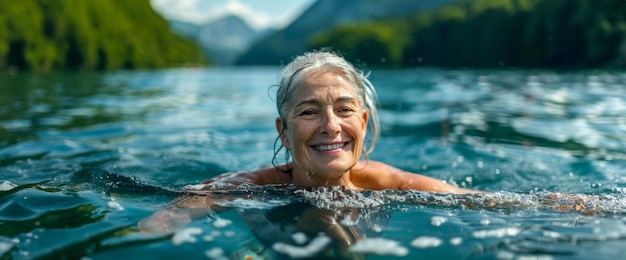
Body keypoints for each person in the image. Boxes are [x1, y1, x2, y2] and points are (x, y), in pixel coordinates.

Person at [138, 50, 480, 233]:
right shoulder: (249, 187)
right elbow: (169, 215)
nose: (331, 126)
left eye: (344, 109)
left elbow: (486, 203)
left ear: (362, 122)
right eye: (309, 112)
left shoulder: (389, 182)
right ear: (284, 133)